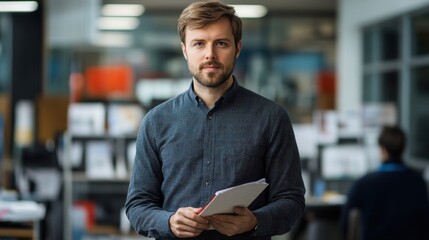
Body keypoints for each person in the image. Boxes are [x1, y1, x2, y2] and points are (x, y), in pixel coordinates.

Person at [125, 1, 306, 239]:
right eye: (199, 43)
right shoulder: (156, 122)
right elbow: (137, 205)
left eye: (221, 43)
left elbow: (291, 201)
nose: (210, 54)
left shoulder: (271, 118)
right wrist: (168, 221)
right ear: (184, 50)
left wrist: (254, 222)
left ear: (237, 48)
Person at [341, 125, 429, 240]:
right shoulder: (418, 182)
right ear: (403, 149)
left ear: (382, 150)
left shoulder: (365, 183)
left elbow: (345, 222)